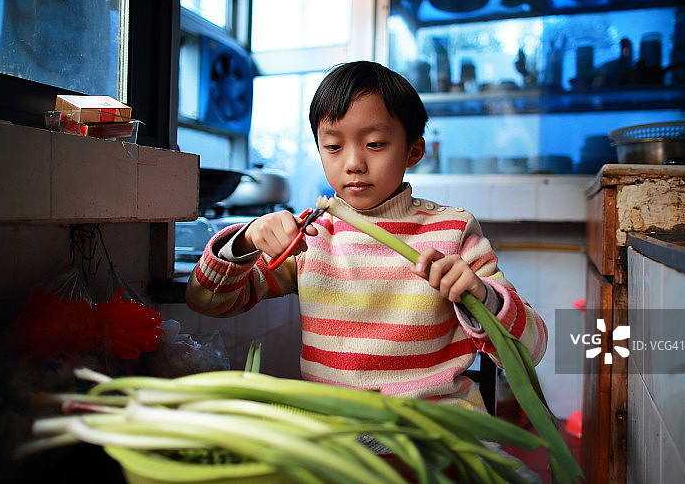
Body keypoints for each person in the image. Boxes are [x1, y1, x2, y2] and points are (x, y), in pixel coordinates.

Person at [186, 61, 547, 414]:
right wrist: (245, 242)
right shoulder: (311, 235)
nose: (353, 163)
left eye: (375, 144)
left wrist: (481, 297)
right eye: (333, 147)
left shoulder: (453, 231)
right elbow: (208, 301)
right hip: (338, 434)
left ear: (413, 152)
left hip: (437, 430)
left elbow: (531, 348)